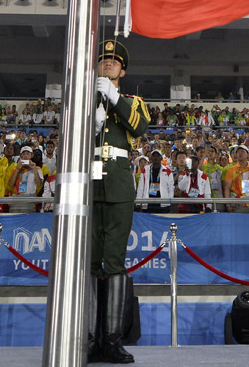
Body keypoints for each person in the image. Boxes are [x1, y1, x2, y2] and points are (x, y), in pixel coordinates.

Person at [90, 39, 150, 364]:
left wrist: (114, 99)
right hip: (90, 180)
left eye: (114, 61)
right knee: (89, 262)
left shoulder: (133, 101)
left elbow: (140, 126)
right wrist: (91, 122)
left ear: (122, 70)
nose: (108, 64)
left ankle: (111, 339)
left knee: (114, 260)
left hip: (118, 181)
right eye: (103, 60)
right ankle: (86, 336)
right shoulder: (83, 100)